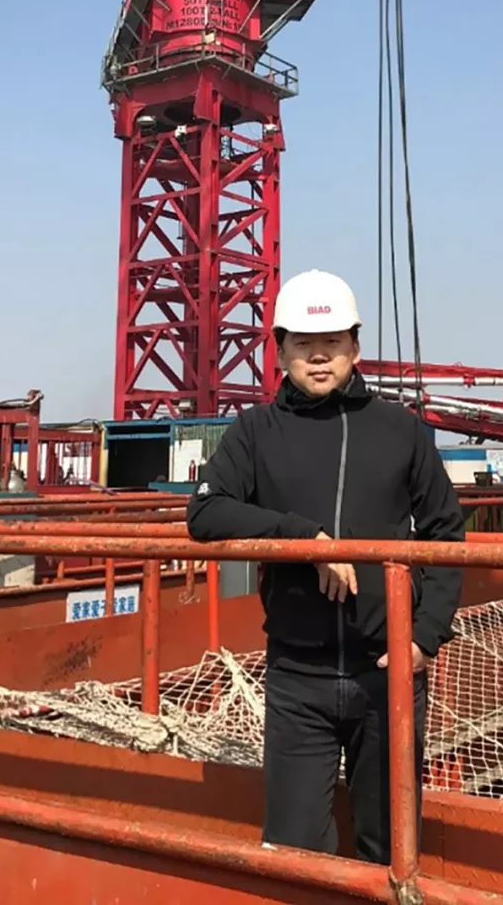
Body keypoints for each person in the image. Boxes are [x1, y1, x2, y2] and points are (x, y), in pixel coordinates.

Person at [187, 269, 465, 862]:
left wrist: (424, 639)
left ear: (355, 348)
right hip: (298, 676)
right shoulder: (256, 431)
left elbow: (445, 533)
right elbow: (206, 512)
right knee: (294, 856)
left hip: (386, 673)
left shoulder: (401, 431)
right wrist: (304, 537)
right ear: (280, 351)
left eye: (333, 342)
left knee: (389, 852)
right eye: (304, 343)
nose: (319, 355)